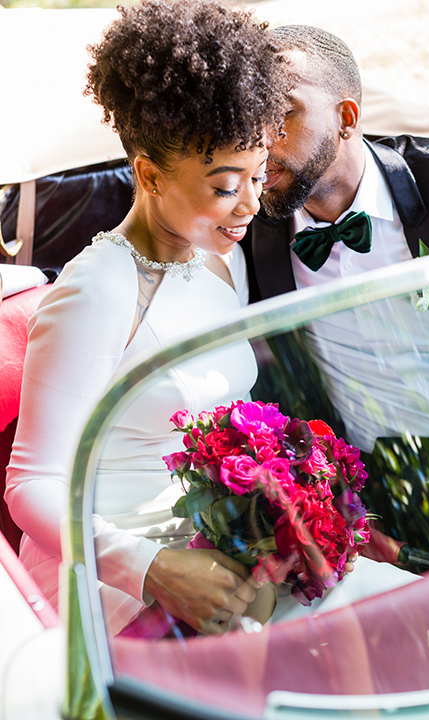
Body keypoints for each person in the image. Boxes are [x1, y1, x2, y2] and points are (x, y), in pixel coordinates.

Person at [4, 0, 292, 638]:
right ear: (149, 175)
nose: (249, 204)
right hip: (113, 579)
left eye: (259, 174)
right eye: (224, 185)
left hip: (215, 549)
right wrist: (154, 568)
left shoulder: (217, 258)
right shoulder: (99, 288)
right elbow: (30, 486)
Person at [242, 24, 429, 560]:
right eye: (247, 115)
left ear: (346, 118)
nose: (259, 138)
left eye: (281, 113)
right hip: (373, 497)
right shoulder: (244, 233)